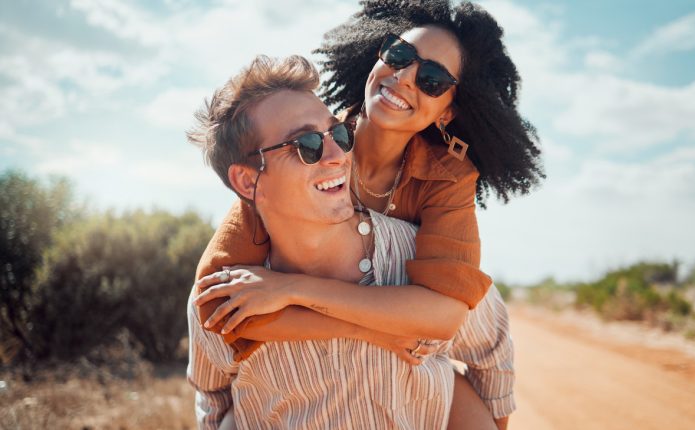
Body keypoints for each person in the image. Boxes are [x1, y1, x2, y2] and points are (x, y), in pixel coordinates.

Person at [193, 0, 542, 427]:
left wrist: (293, 288)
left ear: (447, 112)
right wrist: (376, 332)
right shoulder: (311, 150)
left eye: (432, 80)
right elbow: (218, 307)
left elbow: (446, 316)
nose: (405, 77)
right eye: (399, 55)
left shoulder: (447, 177)